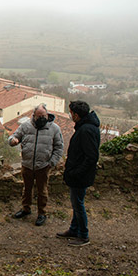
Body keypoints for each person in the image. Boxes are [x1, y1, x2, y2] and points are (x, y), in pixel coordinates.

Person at [8, 104, 64, 226]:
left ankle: (42, 213)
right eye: (39, 116)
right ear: (33, 116)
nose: (41, 118)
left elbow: (59, 148)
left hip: (43, 166)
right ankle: (25, 209)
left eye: (43, 116)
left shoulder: (54, 129)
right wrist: (13, 141)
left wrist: (52, 163)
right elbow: (14, 136)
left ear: (47, 115)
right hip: (27, 164)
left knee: (42, 191)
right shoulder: (25, 126)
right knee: (27, 189)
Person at [57, 100, 100, 246]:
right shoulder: (86, 127)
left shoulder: (86, 130)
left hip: (80, 176)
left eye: (71, 113)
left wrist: (76, 172)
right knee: (76, 204)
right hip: (79, 174)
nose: (70, 116)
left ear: (76, 115)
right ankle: (74, 229)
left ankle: (83, 235)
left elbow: (91, 157)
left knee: (78, 205)